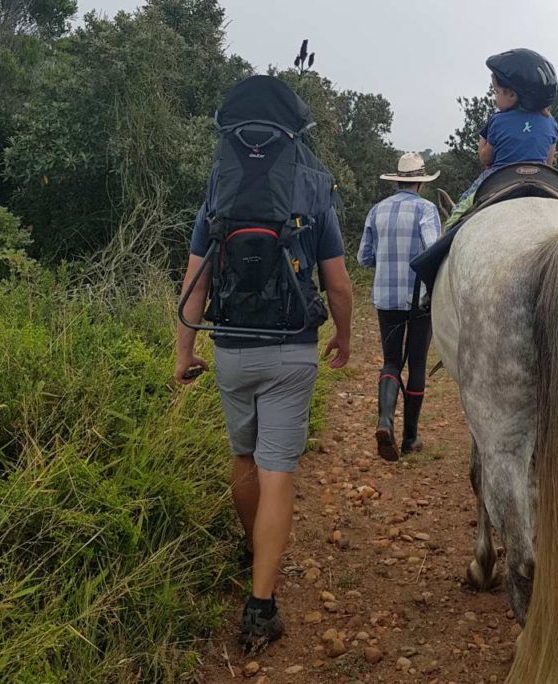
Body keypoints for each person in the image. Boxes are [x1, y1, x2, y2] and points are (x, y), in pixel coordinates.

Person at [174, 75, 353, 651]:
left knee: (243, 458)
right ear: (294, 129)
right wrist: (344, 338)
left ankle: (258, 552)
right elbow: (340, 285)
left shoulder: (220, 185)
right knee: (279, 471)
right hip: (292, 349)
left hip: (230, 348)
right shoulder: (315, 184)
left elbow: (194, 278)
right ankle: (261, 603)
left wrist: (185, 350)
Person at [358, 153, 442, 461]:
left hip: (386, 297)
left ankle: (384, 422)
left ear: (397, 180)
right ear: (420, 181)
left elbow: (363, 258)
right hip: (418, 299)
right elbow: (433, 251)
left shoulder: (377, 210)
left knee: (391, 360)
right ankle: (410, 438)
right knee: (417, 363)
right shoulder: (426, 209)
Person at [443, 48, 558, 228]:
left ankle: (447, 232)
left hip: (500, 176)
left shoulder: (497, 120)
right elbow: (549, 161)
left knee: (458, 213)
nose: (494, 97)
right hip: (542, 178)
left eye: (496, 92)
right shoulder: (550, 122)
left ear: (512, 95)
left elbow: (486, 157)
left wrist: (483, 146)